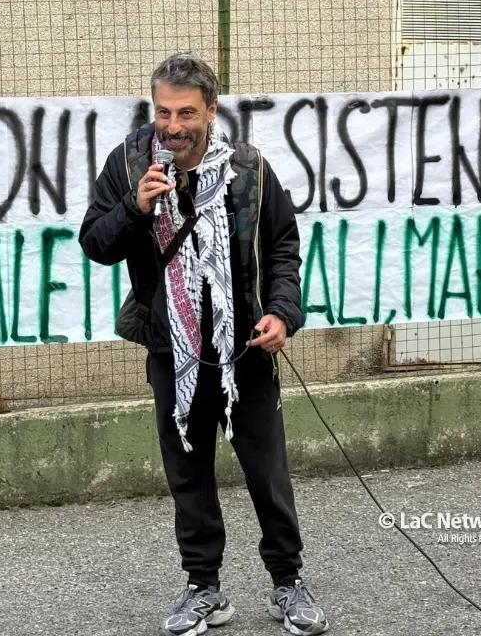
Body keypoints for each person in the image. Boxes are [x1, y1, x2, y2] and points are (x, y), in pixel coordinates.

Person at [80, 53, 329, 636]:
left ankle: (288, 582)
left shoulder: (250, 170)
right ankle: (204, 588)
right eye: (163, 112)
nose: (173, 126)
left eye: (186, 113)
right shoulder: (126, 164)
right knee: (187, 474)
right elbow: (95, 242)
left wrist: (282, 314)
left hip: (246, 349)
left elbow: (284, 249)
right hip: (173, 351)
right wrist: (134, 208)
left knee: (267, 471)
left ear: (212, 110)